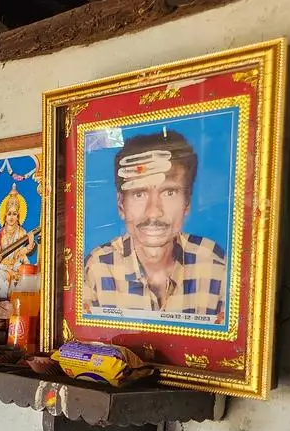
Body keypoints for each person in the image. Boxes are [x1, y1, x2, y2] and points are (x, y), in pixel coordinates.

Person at [83, 130, 226, 320]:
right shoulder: (98, 267)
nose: (153, 211)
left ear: (187, 203)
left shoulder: (214, 263)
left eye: (169, 192)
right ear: (121, 205)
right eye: (139, 194)